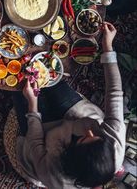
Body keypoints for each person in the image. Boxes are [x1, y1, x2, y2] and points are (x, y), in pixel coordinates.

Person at [14, 22, 125, 188]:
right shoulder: (112, 145)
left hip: (44, 137)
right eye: (96, 136)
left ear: (69, 154)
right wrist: (108, 47)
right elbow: (114, 93)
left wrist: (33, 103)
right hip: (75, 114)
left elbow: (35, 141)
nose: (89, 131)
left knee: (18, 83)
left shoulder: (53, 175)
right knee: (51, 77)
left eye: (84, 138)